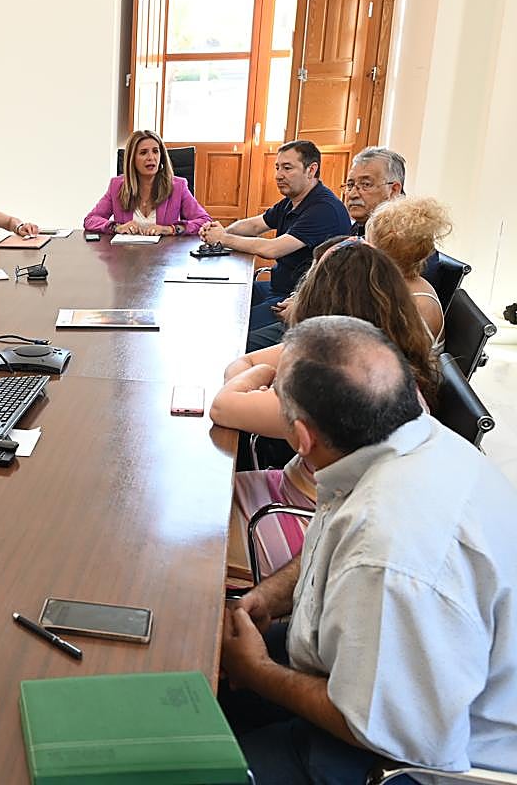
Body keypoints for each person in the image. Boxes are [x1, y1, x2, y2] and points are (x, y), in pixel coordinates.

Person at [220, 315, 517, 782]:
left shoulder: (391, 550)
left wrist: (257, 671)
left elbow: (384, 729)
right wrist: (269, 596)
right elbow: (336, 542)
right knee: (204, 672)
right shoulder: (409, 439)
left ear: (301, 439)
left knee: (182, 764)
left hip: (401, 760)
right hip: (377, 683)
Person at [212, 239, 439, 577]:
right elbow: (242, 366)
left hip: (316, 530)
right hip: (313, 504)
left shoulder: (330, 384)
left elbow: (223, 405)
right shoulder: (386, 360)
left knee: (181, 535)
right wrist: (258, 382)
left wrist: (259, 379)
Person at [245, 146, 407, 352]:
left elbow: (366, 311)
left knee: (240, 340)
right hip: (309, 308)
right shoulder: (360, 228)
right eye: (350, 185)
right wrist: (302, 298)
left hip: (338, 337)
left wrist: (304, 307)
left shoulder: (399, 240)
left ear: (394, 190)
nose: (353, 194)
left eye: (365, 185)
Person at [201, 140, 351, 332]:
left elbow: (272, 249)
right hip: (276, 287)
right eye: (277, 167)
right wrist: (219, 231)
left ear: (311, 170)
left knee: (232, 330)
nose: (278, 175)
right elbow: (254, 225)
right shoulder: (293, 201)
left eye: (287, 168)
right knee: (219, 302)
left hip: (298, 300)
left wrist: (223, 238)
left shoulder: (324, 209)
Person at [82, 130, 212, 235]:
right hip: (126, 256)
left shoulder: (178, 187)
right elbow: (90, 220)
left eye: (155, 151)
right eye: (143, 153)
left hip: (164, 255)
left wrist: (171, 229)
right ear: (132, 159)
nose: (151, 157)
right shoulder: (117, 186)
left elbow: (204, 221)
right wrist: (117, 227)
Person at [365, 196, 453, 349]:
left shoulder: (412, 305)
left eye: (367, 244)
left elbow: (393, 356)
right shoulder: (401, 285)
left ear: (381, 256)